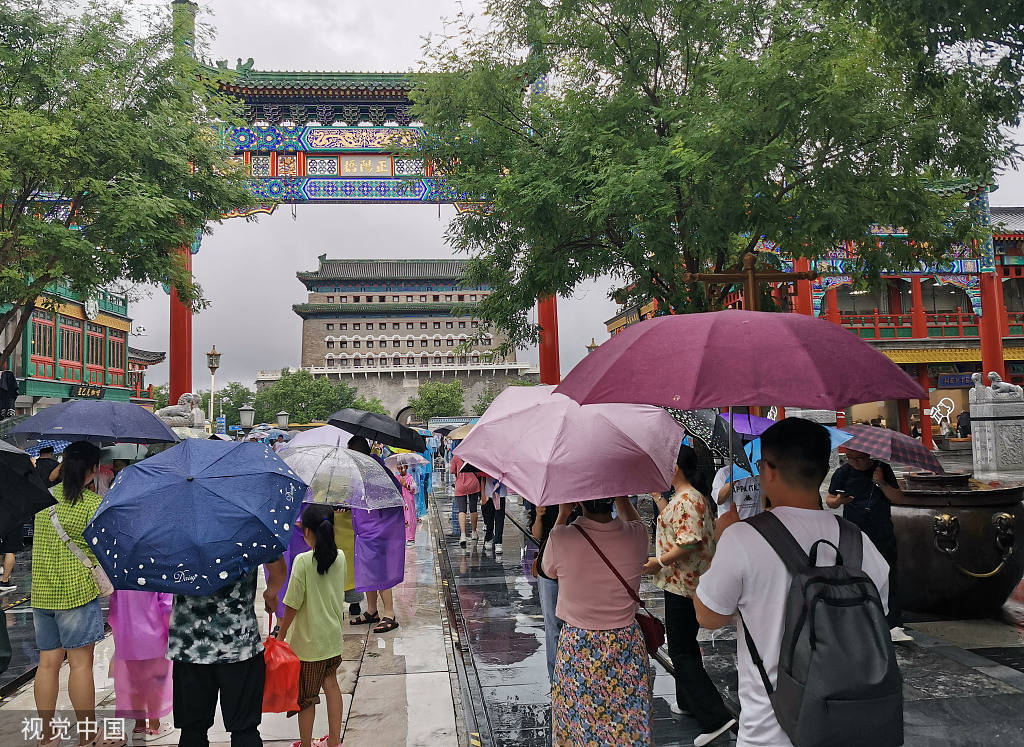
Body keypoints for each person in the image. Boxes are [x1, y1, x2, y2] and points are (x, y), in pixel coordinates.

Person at [695, 418, 891, 747]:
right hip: (849, 724)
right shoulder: (858, 541)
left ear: (768, 470)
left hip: (770, 730)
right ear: (823, 469)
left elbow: (709, 617)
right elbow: (877, 619)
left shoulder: (743, 537)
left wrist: (718, 542)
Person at [541, 497, 651, 745]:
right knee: (627, 723)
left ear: (580, 502)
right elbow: (634, 521)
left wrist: (562, 515)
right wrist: (621, 495)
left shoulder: (560, 538)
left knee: (579, 722)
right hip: (626, 646)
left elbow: (547, 571)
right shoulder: (637, 535)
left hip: (578, 647)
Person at [645, 445, 736, 746]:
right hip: (681, 582)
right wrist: (659, 499)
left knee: (681, 652)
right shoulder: (685, 498)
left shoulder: (688, 500)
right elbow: (677, 527)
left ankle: (716, 717)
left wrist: (658, 562)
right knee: (684, 647)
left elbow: (688, 542)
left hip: (684, 584)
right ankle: (686, 701)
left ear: (675, 468)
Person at [30, 441, 114, 747]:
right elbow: (103, 551)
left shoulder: (43, 499)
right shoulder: (93, 506)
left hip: (41, 594)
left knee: (47, 663)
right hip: (76, 594)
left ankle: (46, 734)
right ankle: (88, 735)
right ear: (92, 470)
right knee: (80, 665)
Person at [168, 555, 287, 747]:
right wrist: (270, 594)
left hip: (189, 648)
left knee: (192, 731)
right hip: (239, 645)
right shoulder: (249, 528)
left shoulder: (174, 534)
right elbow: (279, 570)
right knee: (245, 730)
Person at [277, 504, 347, 747]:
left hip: (308, 645)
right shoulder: (340, 557)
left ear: (307, 531)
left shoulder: (303, 562)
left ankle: (306, 744)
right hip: (332, 639)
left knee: (306, 698)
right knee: (332, 685)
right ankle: (334, 742)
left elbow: (292, 604)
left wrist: (281, 635)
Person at [826, 448, 911, 642]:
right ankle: (858, 618)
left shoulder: (883, 469)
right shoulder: (843, 473)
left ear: (868, 456)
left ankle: (893, 623)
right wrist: (839, 500)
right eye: (850, 458)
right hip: (854, 533)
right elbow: (830, 501)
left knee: (888, 574)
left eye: (859, 459)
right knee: (856, 574)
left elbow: (898, 498)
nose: (855, 462)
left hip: (881, 531)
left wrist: (880, 483)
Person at [346, 436, 404, 634]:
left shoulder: (377, 471)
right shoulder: (361, 471)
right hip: (364, 529)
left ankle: (390, 614)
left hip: (378, 529)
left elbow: (391, 497)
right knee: (366, 571)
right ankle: (372, 610)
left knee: (380, 572)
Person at [109, 591, 174, 739]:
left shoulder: (121, 573)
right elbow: (166, 606)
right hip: (154, 638)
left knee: (134, 683)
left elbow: (113, 610)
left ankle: (139, 726)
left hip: (127, 639)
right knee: (155, 683)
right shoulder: (154, 570)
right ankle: (153, 725)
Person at [529, 502, 578, 685]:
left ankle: (573, 677)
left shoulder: (583, 503)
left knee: (575, 624)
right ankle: (555, 681)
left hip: (577, 569)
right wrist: (539, 516)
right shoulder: (545, 499)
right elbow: (537, 535)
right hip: (548, 570)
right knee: (552, 625)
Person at [450, 454, 482, 548]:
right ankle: (474, 532)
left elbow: (452, 471)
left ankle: (463, 535)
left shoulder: (456, 456)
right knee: (473, 508)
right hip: (473, 484)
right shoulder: (472, 455)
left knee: (462, 510)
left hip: (460, 485)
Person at [481, 476, 506, 554]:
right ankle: (489, 538)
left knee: (499, 518)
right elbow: (483, 477)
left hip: (500, 493)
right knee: (489, 518)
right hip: (488, 493)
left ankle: (498, 542)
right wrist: (483, 494)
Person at [397, 463, 418, 546]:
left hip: (409, 501)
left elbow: (414, 489)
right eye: (399, 468)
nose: (401, 470)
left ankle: (410, 537)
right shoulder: (397, 478)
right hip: (400, 501)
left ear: (406, 468)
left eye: (402, 468)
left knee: (409, 517)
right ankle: (402, 536)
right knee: (402, 518)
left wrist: (405, 485)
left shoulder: (410, 478)